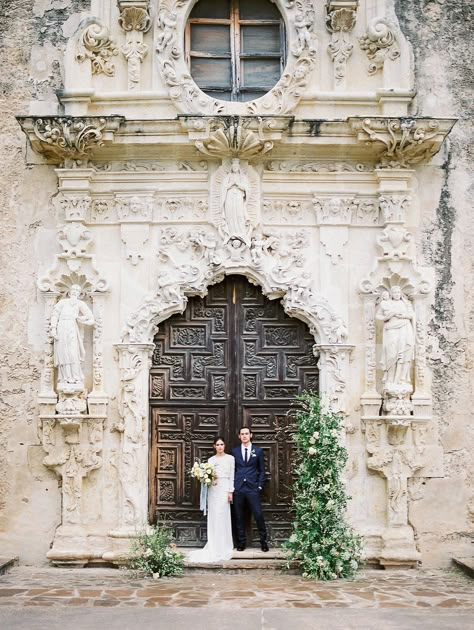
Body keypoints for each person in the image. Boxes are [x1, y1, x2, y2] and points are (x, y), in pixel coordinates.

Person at [188, 436, 235, 563]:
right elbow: (208, 476)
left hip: (224, 488)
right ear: (214, 446)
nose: (220, 447)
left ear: (224, 445)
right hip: (213, 490)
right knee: (214, 515)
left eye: (221, 444)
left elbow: (232, 476)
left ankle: (224, 545)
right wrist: (209, 480)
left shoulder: (231, 459)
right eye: (217, 445)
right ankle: (214, 543)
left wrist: (230, 491)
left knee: (222, 515)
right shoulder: (211, 460)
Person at [232, 427, 269, 552]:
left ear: (251, 435)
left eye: (246, 434)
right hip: (239, 488)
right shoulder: (235, 451)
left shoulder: (257, 451)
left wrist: (259, 486)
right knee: (239, 516)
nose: (244, 436)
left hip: (253, 488)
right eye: (242, 434)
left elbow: (262, 471)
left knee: (258, 515)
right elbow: (232, 469)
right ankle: (241, 543)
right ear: (239, 436)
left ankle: (263, 542)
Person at [50, 284, 95, 387]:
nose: (75, 291)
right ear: (69, 292)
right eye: (73, 289)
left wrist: (81, 318)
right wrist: (53, 328)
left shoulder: (80, 304)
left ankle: (75, 377)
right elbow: (55, 314)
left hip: (72, 328)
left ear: (79, 293)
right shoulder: (63, 302)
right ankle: (65, 378)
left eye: (77, 290)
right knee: (63, 352)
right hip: (61, 327)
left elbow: (91, 318)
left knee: (73, 352)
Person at [377, 285, 415, 386]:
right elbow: (378, 316)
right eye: (395, 293)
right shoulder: (387, 303)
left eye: (398, 292)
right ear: (391, 294)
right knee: (392, 354)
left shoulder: (406, 303)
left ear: (400, 293)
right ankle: (390, 378)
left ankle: (402, 378)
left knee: (404, 352)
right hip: (391, 329)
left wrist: (403, 316)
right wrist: (387, 317)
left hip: (405, 328)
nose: (397, 294)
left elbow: (412, 315)